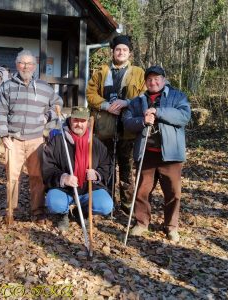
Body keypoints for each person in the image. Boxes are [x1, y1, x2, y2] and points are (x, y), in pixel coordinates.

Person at [122, 65, 191, 242]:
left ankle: (171, 227)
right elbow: (127, 122)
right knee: (142, 191)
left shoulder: (177, 96)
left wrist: (158, 112)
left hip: (171, 155)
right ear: (145, 82)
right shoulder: (137, 101)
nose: (153, 82)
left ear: (164, 79)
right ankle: (142, 222)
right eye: (150, 79)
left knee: (173, 193)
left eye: (157, 78)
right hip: (146, 154)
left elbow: (184, 116)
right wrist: (142, 121)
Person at [0, 49, 63, 224]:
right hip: (13, 139)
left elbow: (58, 104)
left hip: (36, 140)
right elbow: (1, 112)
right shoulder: (7, 86)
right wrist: (4, 136)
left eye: (29, 63)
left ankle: (37, 211)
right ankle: (11, 210)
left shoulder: (44, 87)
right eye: (22, 63)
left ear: (34, 66)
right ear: (17, 65)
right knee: (12, 177)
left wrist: (48, 116)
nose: (25, 67)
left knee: (37, 177)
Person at [86, 35, 146, 215]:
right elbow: (90, 94)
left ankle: (127, 207)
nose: (121, 52)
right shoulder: (101, 71)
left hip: (128, 131)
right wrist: (106, 106)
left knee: (127, 171)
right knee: (106, 168)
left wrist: (127, 103)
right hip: (105, 130)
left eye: (125, 50)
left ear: (130, 53)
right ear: (113, 51)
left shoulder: (139, 73)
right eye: (118, 49)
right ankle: (107, 204)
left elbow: (144, 94)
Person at [42, 106, 113, 231]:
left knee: (106, 205)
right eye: (75, 120)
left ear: (88, 123)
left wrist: (97, 174)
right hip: (64, 190)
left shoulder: (96, 144)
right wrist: (63, 178)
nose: (79, 124)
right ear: (70, 120)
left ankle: (83, 211)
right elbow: (47, 167)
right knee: (53, 202)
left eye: (82, 121)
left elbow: (107, 166)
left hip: (88, 188)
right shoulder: (58, 141)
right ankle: (63, 213)